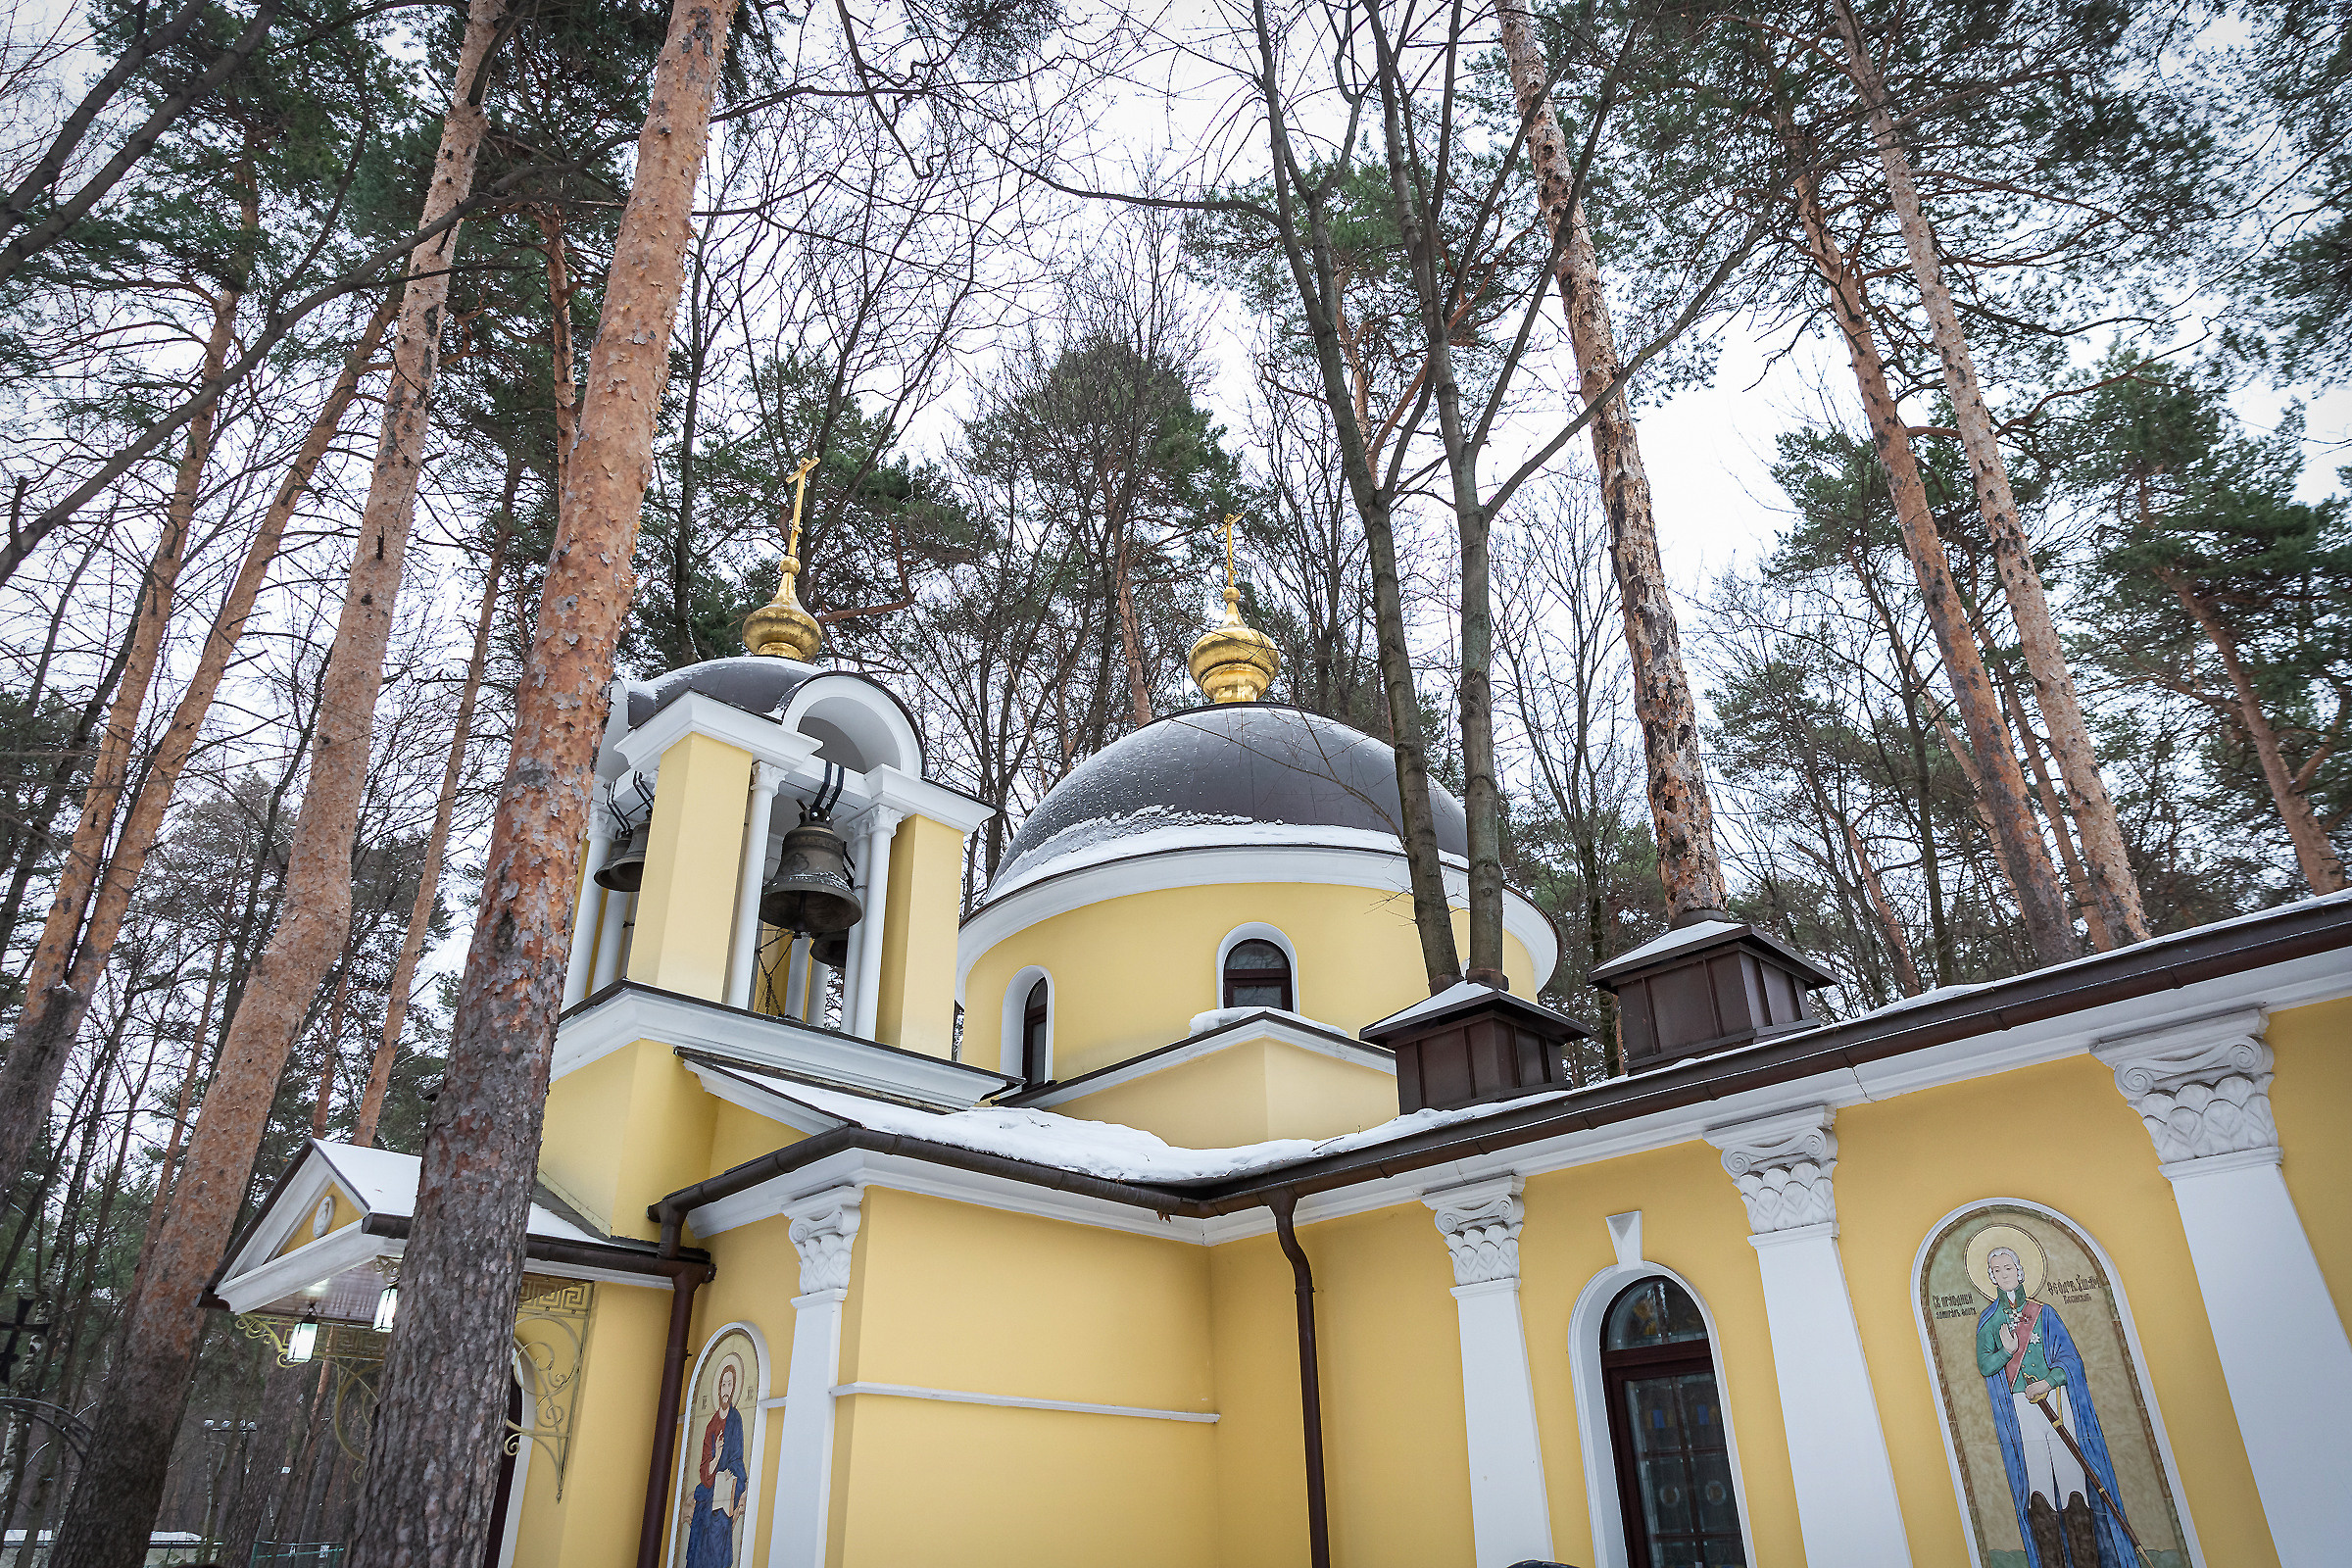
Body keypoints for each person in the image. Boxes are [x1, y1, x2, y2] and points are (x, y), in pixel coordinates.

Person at [1973, 1238, 2134, 1568]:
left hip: (2056, 1400)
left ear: (2020, 1272)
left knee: (2073, 1478)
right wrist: (2005, 1350)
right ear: (1990, 1277)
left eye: (2008, 1268)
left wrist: (2048, 1381)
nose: (2003, 1274)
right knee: (2038, 1485)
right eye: (1996, 1270)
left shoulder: (2045, 1314)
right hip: (2021, 1407)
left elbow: (2071, 1361)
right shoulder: (1990, 1322)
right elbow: (1985, 1366)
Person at [684, 1358, 748, 1568]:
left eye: (730, 1384)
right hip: (710, 1487)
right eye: (723, 1384)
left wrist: (731, 1472)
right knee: (701, 1520)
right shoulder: (711, 1424)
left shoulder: (736, 1419)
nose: (726, 1389)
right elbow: (704, 1469)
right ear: (719, 1388)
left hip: (726, 1487)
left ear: (734, 1387)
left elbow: (738, 1458)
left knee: (718, 1524)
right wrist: (717, 1455)